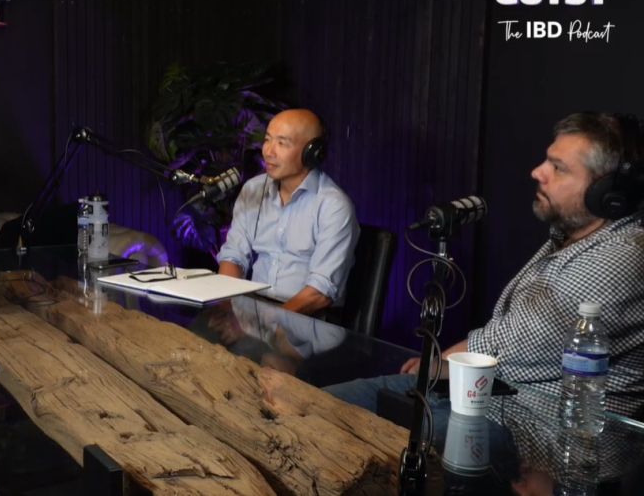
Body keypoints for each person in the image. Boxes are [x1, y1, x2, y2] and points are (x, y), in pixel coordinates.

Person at [326, 112, 644, 419]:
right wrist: (449, 363)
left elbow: (528, 338)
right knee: (320, 405)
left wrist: (450, 359)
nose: (538, 171)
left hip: (538, 432)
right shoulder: (570, 237)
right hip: (491, 399)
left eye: (558, 168)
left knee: (335, 424)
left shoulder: (622, 257)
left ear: (608, 193)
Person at [217, 108, 359, 316]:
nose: (268, 151)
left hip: (305, 319)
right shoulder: (254, 190)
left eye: (282, 143)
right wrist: (228, 310)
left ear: (311, 153)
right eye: (267, 140)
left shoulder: (333, 206)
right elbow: (233, 257)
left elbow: (320, 292)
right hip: (254, 312)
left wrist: (268, 324)